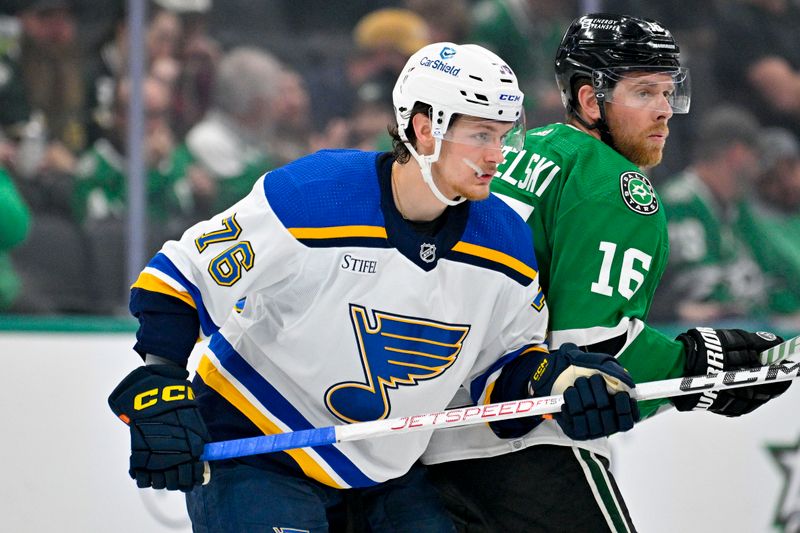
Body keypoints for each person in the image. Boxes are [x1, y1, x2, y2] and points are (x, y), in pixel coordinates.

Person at [107, 42, 641, 532]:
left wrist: (562, 383)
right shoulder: (316, 197)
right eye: (480, 134)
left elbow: (500, 371)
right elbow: (179, 277)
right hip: (256, 446)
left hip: (384, 473)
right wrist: (160, 380)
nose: (497, 155)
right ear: (425, 128)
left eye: (503, 136)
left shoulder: (504, 240)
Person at [423, 14, 791, 532]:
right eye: (644, 93)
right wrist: (698, 367)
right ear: (592, 100)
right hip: (530, 446)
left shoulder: (518, 151)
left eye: (669, 93)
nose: (665, 112)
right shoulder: (614, 184)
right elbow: (594, 351)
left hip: (432, 444)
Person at [649, 106, 768, 323]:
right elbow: (696, 287)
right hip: (696, 338)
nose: (758, 169)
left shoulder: (736, 207)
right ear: (738, 154)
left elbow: (767, 267)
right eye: (756, 157)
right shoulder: (679, 203)